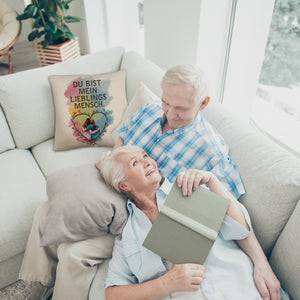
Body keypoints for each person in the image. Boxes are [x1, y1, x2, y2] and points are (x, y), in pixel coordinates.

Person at [19, 65, 280, 299]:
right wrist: (113, 159)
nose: (169, 112)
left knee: (74, 253)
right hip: (120, 184)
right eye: (167, 102)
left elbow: (229, 211)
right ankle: (36, 284)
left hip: (143, 212)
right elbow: (123, 140)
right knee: (49, 208)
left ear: (203, 104)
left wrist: (261, 263)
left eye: (180, 108)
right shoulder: (151, 110)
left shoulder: (211, 151)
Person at [100, 145, 287, 300]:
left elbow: (240, 229)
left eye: (145, 156)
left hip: (244, 290)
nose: (148, 161)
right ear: (124, 185)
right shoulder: (128, 236)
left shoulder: (189, 188)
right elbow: (113, 293)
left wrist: (212, 180)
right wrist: (166, 283)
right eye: (135, 163)